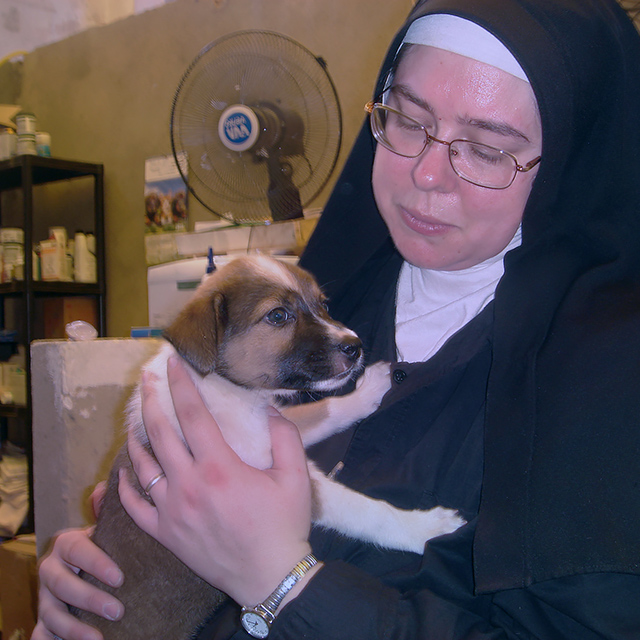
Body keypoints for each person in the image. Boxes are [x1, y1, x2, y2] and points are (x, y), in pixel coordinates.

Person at [33, 0, 640, 638]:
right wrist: (99, 584)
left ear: (568, 165)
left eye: (487, 149)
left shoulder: (606, 378)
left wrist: (283, 582)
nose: (427, 173)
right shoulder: (322, 296)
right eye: (407, 119)